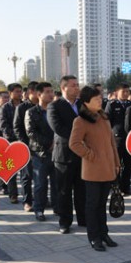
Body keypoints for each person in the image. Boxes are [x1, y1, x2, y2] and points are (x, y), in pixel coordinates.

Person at [69, 86, 120, 251]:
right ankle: (94, 237)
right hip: (92, 170)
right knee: (92, 205)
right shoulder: (81, 121)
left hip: (108, 167)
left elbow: (111, 143)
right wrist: (91, 155)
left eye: (100, 98)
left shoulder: (104, 118)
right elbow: (74, 143)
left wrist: (116, 162)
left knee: (102, 204)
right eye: (96, 99)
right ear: (86, 102)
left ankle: (104, 233)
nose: (100, 100)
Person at [47, 75, 86, 234]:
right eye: (73, 85)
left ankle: (83, 219)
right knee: (64, 191)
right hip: (64, 154)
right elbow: (58, 128)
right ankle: (65, 222)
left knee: (82, 189)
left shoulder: (83, 104)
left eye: (77, 85)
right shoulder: (54, 106)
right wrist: (79, 139)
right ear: (64, 88)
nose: (77, 88)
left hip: (83, 153)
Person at [25, 82, 55, 221]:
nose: (51, 94)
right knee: (40, 184)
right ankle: (39, 209)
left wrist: (57, 143)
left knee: (57, 183)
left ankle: (58, 208)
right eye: (47, 91)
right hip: (40, 153)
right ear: (39, 95)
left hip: (56, 152)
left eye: (52, 91)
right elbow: (31, 132)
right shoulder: (31, 112)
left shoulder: (56, 109)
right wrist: (49, 143)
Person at [105, 83, 131, 195]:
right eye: (124, 91)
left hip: (130, 139)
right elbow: (107, 123)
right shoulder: (111, 105)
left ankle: (125, 187)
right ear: (117, 93)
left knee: (128, 165)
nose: (126, 93)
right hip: (117, 139)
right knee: (116, 165)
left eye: (127, 91)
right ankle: (115, 187)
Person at [14, 81, 37, 212]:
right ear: (30, 92)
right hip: (27, 146)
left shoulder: (43, 107)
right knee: (26, 175)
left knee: (42, 176)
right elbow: (17, 128)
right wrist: (25, 144)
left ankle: (41, 200)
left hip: (42, 147)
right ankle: (27, 201)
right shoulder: (21, 108)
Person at [0, 83, 23, 204]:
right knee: (12, 170)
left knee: (27, 172)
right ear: (10, 93)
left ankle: (28, 195)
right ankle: (13, 194)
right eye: (17, 91)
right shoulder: (5, 108)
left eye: (20, 91)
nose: (19, 93)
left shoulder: (25, 106)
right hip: (11, 142)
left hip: (25, 142)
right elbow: (3, 126)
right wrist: (17, 136)